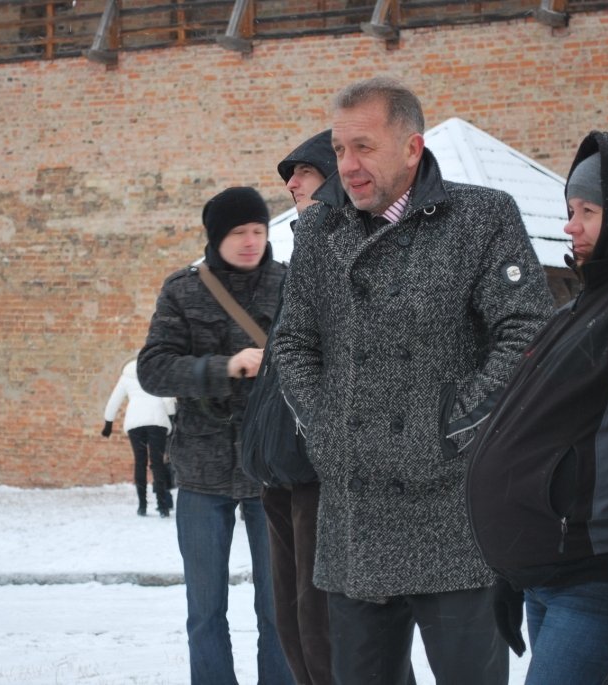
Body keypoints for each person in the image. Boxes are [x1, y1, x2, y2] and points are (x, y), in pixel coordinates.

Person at [271, 76, 553, 685]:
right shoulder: (319, 231)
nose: (348, 165)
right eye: (339, 149)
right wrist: (327, 426)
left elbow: (527, 329)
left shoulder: (481, 217)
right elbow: (291, 342)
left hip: (452, 509)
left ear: (411, 147)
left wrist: (457, 424)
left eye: (363, 147)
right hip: (356, 512)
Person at [466, 132, 608, 682]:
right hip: (552, 574)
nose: (570, 226)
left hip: (602, 578)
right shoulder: (592, 298)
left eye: (588, 211)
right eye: (571, 211)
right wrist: (514, 565)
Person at [138, 186, 293, 684]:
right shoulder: (182, 291)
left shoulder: (290, 284)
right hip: (202, 472)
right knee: (205, 612)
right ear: (215, 236)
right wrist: (224, 367)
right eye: (238, 232)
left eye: (258, 230)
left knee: (280, 610)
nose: (251, 241)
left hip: (273, 470)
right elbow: (153, 369)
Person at [252, 129, 336, 685]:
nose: (291, 183)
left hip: (318, 467)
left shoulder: (345, 250)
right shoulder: (303, 250)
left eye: (303, 171)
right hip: (279, 464)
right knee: (290, 619)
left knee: (323, 622)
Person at [101, 356, 176, 517]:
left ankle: (142, 506)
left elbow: (114, 400)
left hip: (135, 422)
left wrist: (108, 423)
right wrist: (171, 417)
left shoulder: (126, 376)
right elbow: (168, 399)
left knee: (140, 462)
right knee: (157, 463)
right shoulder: (156, 371)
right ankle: (163, 506)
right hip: (157, 420)